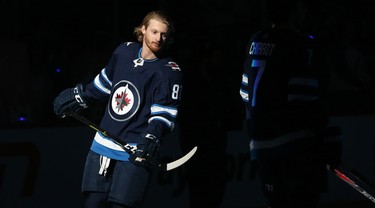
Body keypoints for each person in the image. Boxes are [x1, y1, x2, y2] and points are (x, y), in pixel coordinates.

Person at [52, 10, 182, 208]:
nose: (159, 38)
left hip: (135, 150)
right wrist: (80, 97)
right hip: (103, 143)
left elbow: (163, 114)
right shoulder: (124, 51)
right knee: (93, 203)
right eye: (154, 32)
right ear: (143, 30)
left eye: (164, 34)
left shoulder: (168, 71)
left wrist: (152, 137)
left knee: (121, 206)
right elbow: (104, 85)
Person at [239, 0, 342, 207]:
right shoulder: (300, 43)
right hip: (294, 144)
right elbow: (303, 99)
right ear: (294, 12)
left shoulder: (255, 40)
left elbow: (244, 93)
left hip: (261, 144)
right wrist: (325, 137)